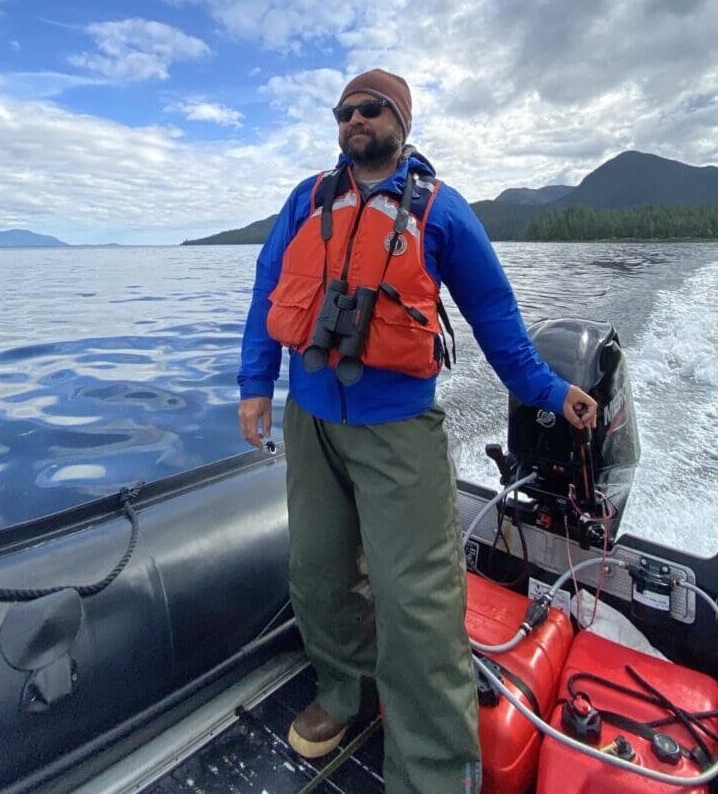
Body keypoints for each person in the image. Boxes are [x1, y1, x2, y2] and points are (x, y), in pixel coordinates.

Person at [237, 68, 597, 794]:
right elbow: (266, 290)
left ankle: (432, 770)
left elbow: (496, 321)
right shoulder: (305, 201)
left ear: (400, 121)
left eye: (370, 110)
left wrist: (549, 392)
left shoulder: (443, 213)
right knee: (316, 573)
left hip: (397, 433)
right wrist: (254, 386)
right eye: (343, 112)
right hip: (310, 424)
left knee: (417, 604)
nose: (353, 121)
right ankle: (344, 693)